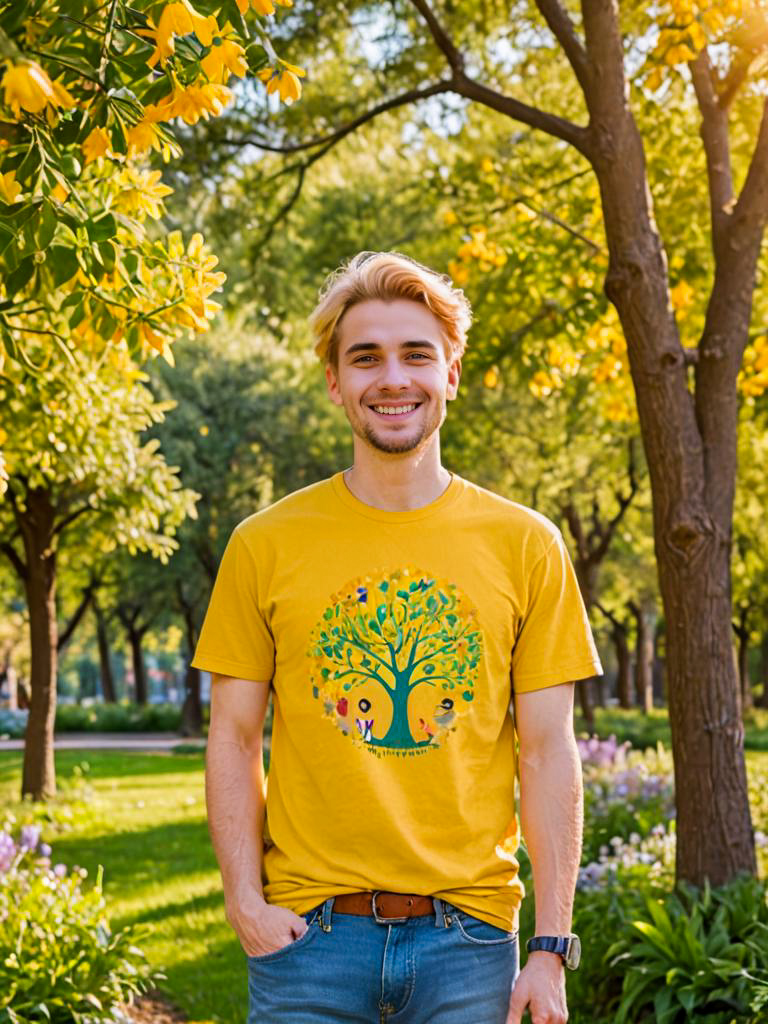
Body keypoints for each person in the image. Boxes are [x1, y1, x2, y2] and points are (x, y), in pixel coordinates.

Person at [192, 251, 602, 1024]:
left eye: (417, 354)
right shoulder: (264, 543)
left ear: (450, 373)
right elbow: (235, 735)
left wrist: (550, 948)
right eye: (365, 357)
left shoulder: (528, 544)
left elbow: (548, 751)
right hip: (306, 942)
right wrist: (243, 900)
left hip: (469, 944)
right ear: (335, 383)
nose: (392, 378)